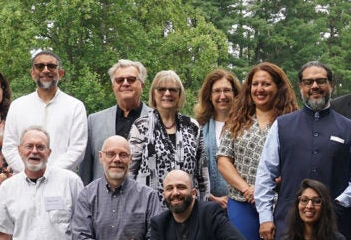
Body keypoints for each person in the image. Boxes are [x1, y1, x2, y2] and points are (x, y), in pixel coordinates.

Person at [255, 61, 351, 240]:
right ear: (301, 87)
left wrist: (340, 203)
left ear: (331, 85)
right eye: (308, 82)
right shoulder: (282, 125)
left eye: (321, 81)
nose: (315, 86)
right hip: (288, 222)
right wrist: (265, 218)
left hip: (334, 224)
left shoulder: (349, 128)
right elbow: (265, 175)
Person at [217, 62, 299, 240]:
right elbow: (223, 159)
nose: (260, 89)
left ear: (278, 87)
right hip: (241, 203)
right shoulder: (237, 119)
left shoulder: (291, 121)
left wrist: (266, 187)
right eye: (255, 84)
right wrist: (246, 189)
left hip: (277, 203)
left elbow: (296, 161)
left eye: (266, 84)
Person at [71, 136, 161, 240]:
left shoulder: (148, 195)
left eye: (123, 155)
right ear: (101, 157)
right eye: (111, 154)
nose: (117, 160)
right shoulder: (87, 195)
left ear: (130, 158)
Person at [3, 51, 88, 174]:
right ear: (32, 73)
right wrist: (29, 172)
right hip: (23, 181)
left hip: (61, 181)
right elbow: (9, 146)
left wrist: (50, 173)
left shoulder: (75, 107)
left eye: (52, 66)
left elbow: (77, 148)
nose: (46, 70)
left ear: (61, 73)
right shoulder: (18, 106)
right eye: (40, 66)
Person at [129, 70, 209, 198]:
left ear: (179, 94)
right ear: (154, 93)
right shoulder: (141, 126)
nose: (167, 93)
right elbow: (130, 171)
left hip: (187, 206)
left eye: (172, 90)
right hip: (151, 206)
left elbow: (202, 172)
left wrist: (204, 203)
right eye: (161, 89)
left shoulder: (192, 126)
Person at [80, 59, 150, 185]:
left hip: (144, 200)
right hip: (102, 199)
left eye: (131, 79)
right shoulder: (94, 121)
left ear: (142, 85)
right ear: (113, 87)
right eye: (119, 80)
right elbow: (86, 170)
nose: (125, 83)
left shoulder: (156, 121)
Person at [194, 68, 240, 209]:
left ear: (235, 94)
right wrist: (210, 197)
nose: (222, 96)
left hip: (241, 201)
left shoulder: (246, 125)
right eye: (217, 91)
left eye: (227, 90)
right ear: (209, 95)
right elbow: (193, 166)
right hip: (208, 204)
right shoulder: (198, 127)